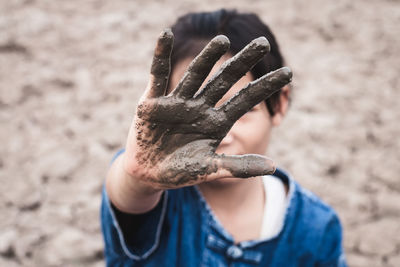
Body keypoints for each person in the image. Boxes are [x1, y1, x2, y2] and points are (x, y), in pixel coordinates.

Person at [101, 9, 347, 266]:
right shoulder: (156, 198)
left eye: (241, 109)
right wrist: (138, 178)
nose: (219, 136)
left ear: (280, 103)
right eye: (192, 115)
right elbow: (128, 192)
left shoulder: (316, 228)